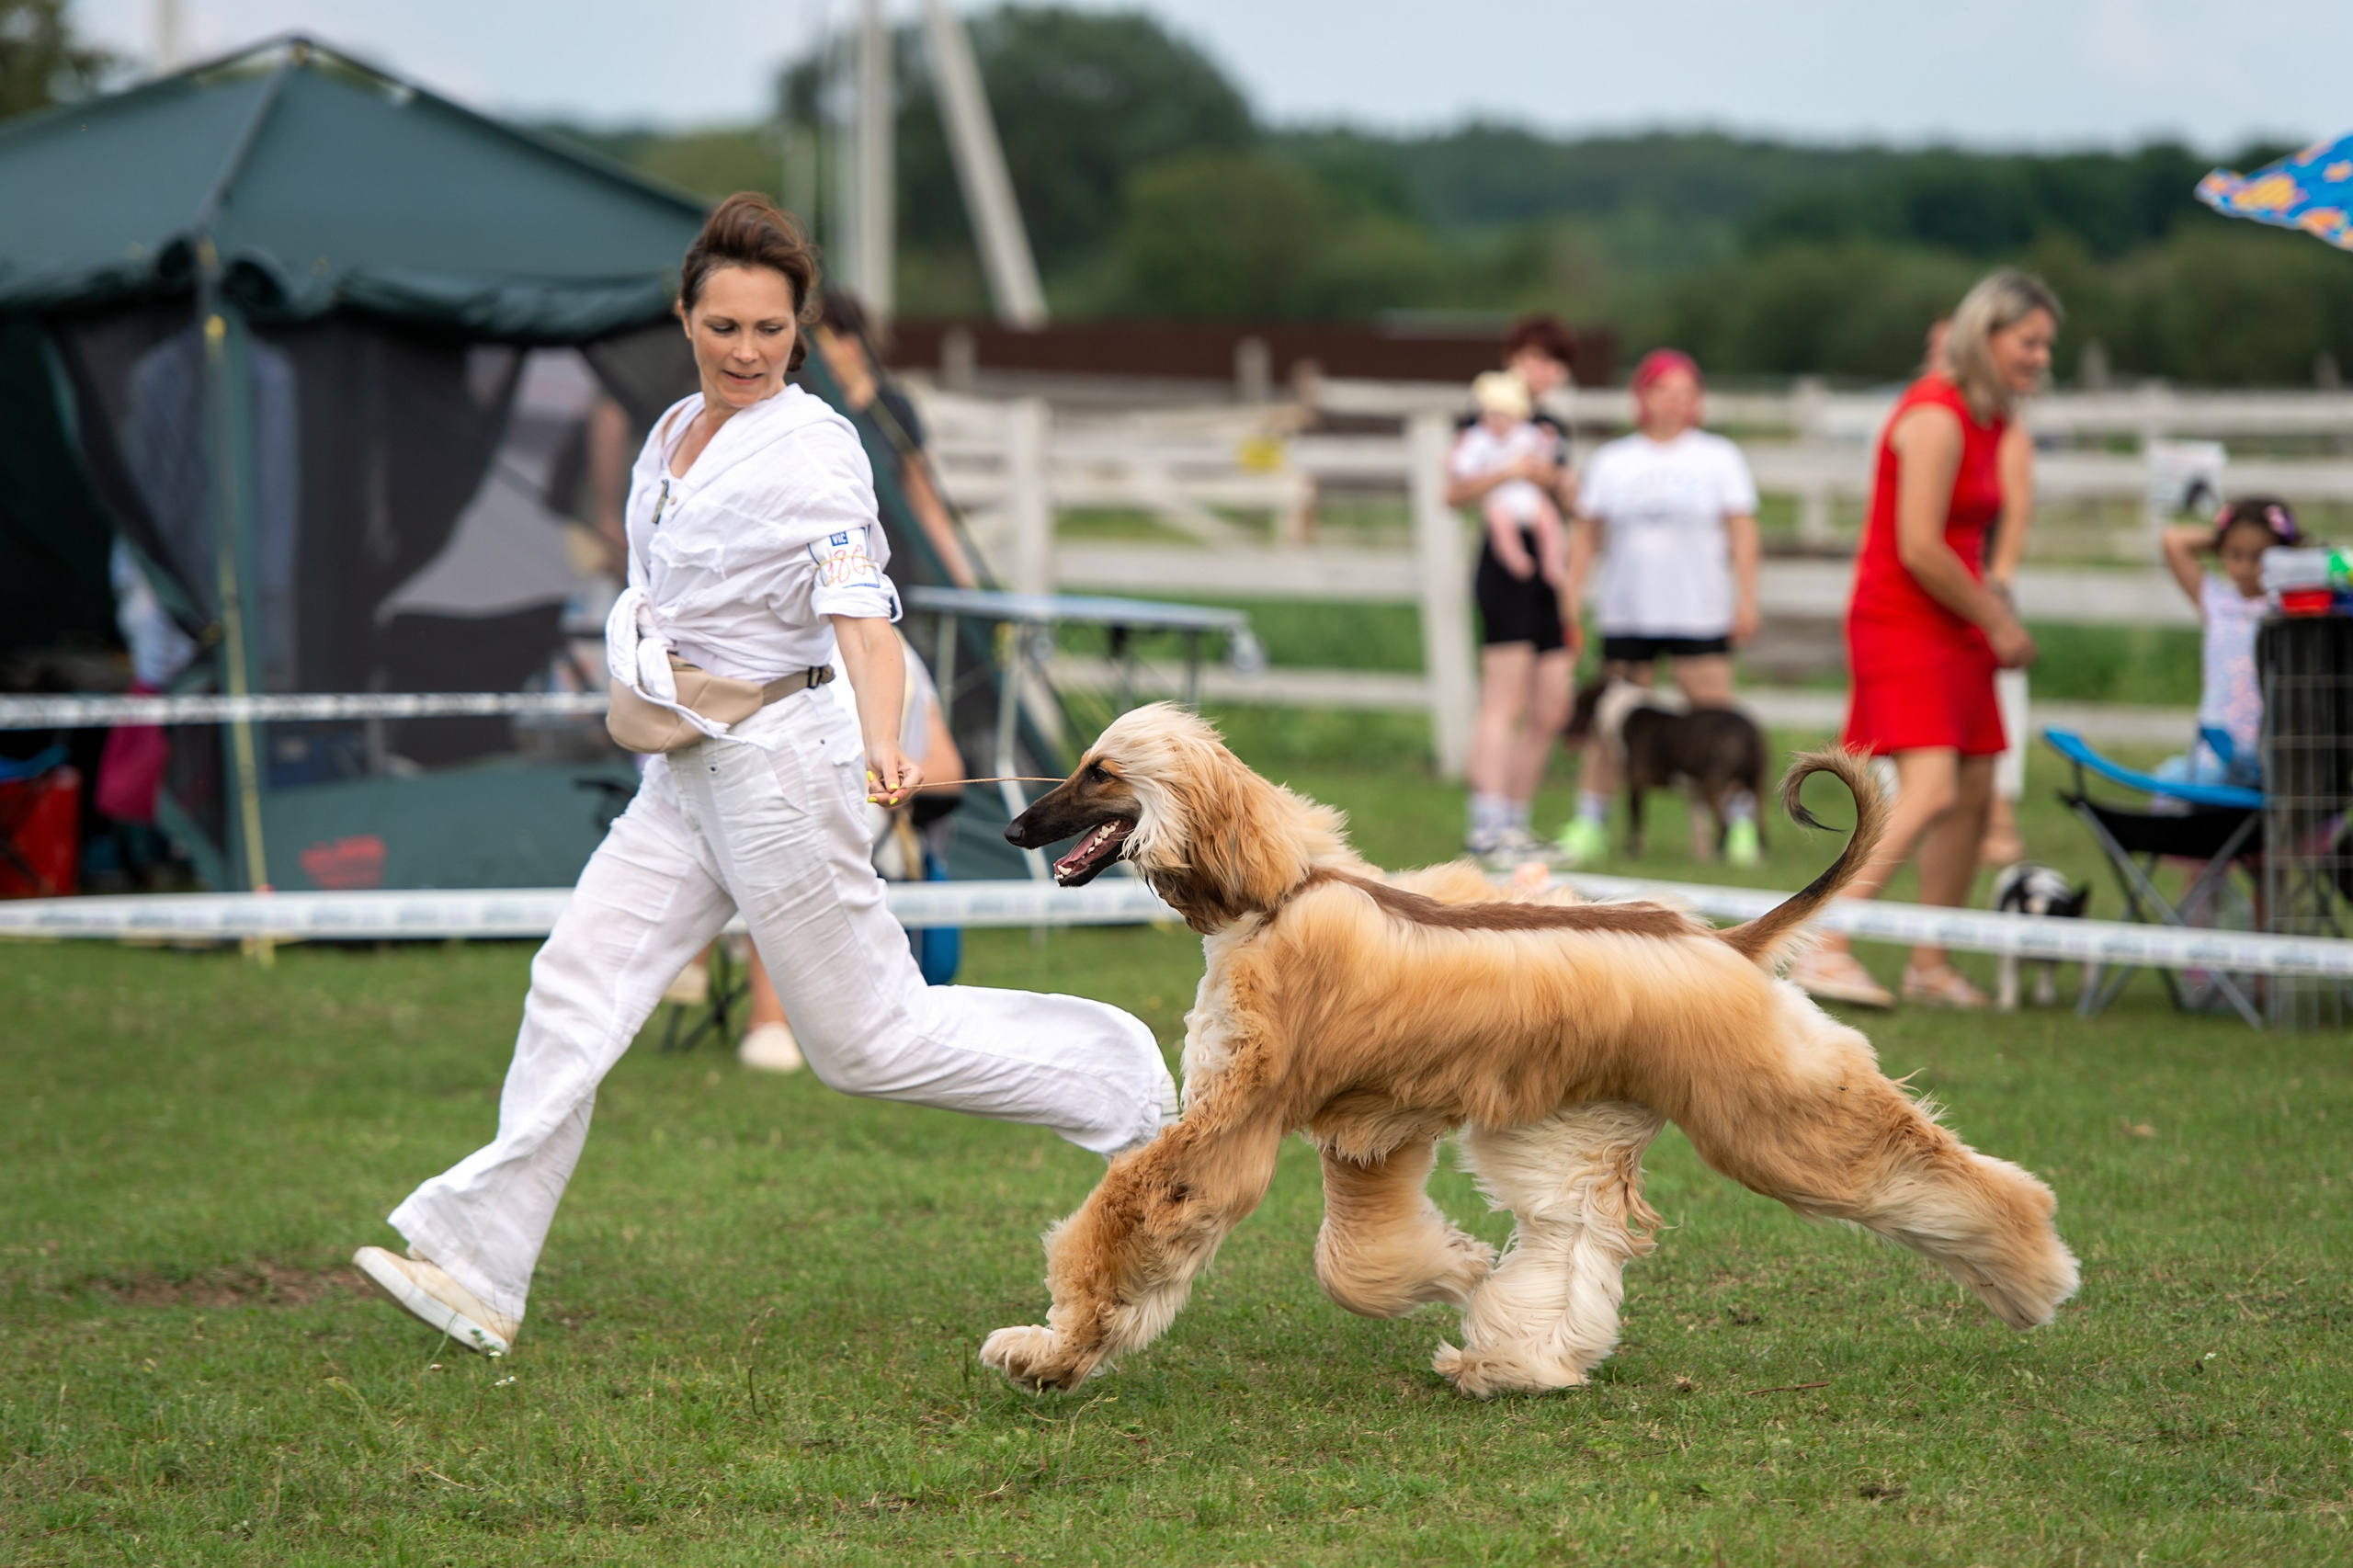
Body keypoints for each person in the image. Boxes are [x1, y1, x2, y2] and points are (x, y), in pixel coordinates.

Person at [353, 195, 1177, 1358]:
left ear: (801, 331)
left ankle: (1133, 1091)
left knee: (864, 1044)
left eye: (771, 330)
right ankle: (476, 1262)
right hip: (684, 774)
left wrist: (889, 735)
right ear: (684, 316)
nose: (746, 349)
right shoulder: (671, 432)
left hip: (785, 772)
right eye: (724, 324)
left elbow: (863, 615)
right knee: (574, 980)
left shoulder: (817, 452)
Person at [1790, 269, 2059, 1010]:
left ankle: (1930, 960)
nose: (2041, 357)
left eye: (2046, 345)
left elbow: (1991, 523)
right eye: (2029, 342)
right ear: (1988, 335)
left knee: (1975, 788)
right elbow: (1918, 545)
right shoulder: (1935, 415)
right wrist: (1999, 618)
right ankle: (1822, 942)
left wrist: (1990, 601)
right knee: (1931, 784)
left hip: (1959, 615)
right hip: (1902, 616)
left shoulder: (1995, 419)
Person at [1556, 348, 1762, 866]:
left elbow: (1742, 533)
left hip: (1697, 610)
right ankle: (1590, 821)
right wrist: (1571, 595)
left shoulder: (1718, 458)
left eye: (1685, 393)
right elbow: (1587, 536)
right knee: (1611, 725)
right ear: (1642, 398)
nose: (1674, 403)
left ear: (1697, 402)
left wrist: (1747, 597)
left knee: (1717, 724)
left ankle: (1738, 825)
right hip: (1629, 611)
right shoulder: (1613, 461)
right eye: (1663, 391)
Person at [738, 630, 968, 1072]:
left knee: (779, 825)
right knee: (768, 816)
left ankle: (767, 1014)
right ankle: (767, 1019)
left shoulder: (894, 649)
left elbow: (949, 773)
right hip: (772, 818)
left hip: (869, 824)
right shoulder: (754, 638)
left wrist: (886, 779)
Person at [1454, 314, 1579, 859]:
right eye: (1531, 357)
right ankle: (1484, 823)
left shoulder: (1552, 428)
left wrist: (1557, 481)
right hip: (1504, 567)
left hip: (1546, 567)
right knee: (1502, 699)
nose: (1540, 371)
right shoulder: (1481, 421)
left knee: (1553, 703)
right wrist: (1511, 471)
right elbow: (1453, 489)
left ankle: (1515, 818)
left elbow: (1569, 501)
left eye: (1551, 362)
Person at [813, 290, 978, 589]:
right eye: (822, 340)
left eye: (842, 336)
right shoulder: (807, 411)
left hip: (889, 576)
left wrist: (963, 583)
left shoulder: (894, 409)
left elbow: (926, 503)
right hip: (824, 576)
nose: (833, 352)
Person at [2159, 495, 2300, 788]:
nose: (2246, 567)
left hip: (2273, 747)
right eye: (2235, 554)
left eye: (2260, 556)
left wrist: (2253, 542)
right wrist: (2227, 535)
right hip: (2218, 748)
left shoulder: (2286, 606)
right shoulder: (2218, 603)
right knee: (2171, 781)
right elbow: (2173, 541)